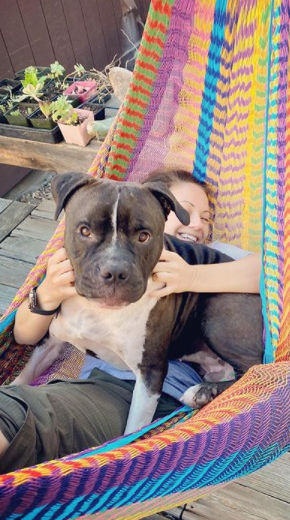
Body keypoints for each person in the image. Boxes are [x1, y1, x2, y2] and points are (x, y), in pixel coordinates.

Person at [0, 169, 260, 474]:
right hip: (100, 383)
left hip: (151, 397)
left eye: (142, 234)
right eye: (186, 212)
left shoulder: (209, 256)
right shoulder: (70, 270)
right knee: (15, 407)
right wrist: (46, 293)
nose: (195, 224)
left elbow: (271, 273)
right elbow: (28, 337)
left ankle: (242, 383)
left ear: (160, 214)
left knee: (17, 417)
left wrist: (193, 276)